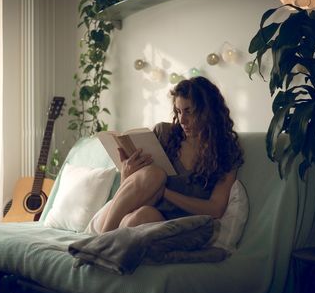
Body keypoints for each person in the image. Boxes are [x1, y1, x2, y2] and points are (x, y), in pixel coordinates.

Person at [98, 76, 244, 233]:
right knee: (144, 204)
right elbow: (137, 191)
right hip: (148, 213)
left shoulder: (226, 150)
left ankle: (100, 244)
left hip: (186, 225)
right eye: (178, 111)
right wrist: (126, 176)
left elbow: (216, 209)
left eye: (189, 111)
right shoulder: (164, 134)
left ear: (208, 111)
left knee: (141, 216)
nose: (182, 120)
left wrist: (164, 192)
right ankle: (100, 241)